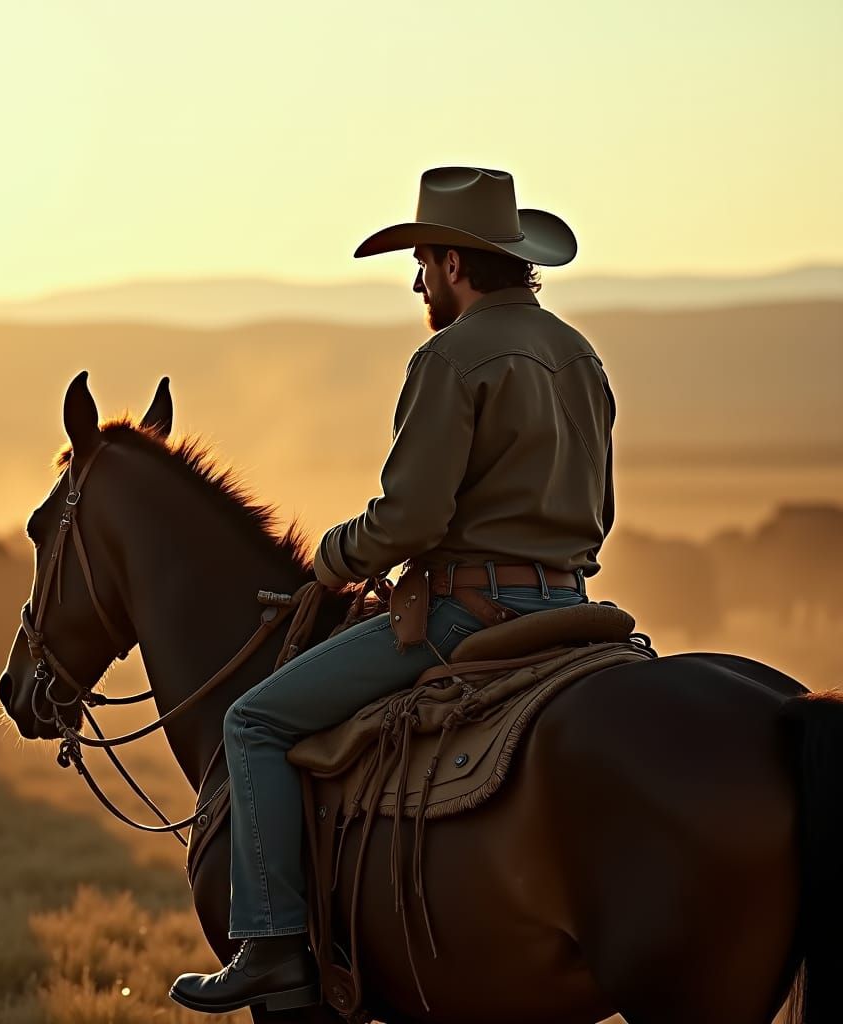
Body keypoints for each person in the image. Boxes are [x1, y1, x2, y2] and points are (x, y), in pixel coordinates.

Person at [169, 166, 616, 1014]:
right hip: (576, 613)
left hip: (466, 616)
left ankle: (268, 946)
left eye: (421, 263)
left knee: (252, 719)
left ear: (453, 263)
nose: (416, 282)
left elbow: (410, 518)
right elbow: (601, 510)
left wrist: (335, 556)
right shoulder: (580, 355)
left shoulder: (449, 357)